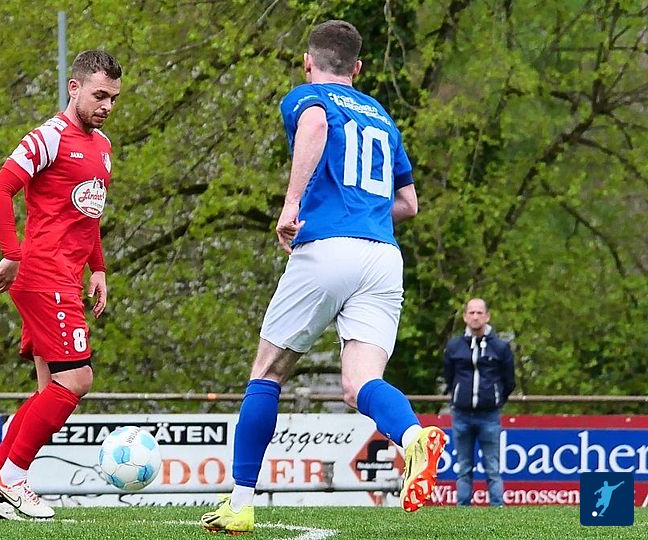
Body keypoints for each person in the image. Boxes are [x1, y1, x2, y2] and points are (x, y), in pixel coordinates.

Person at [201, 20, 446, 534]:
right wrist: (365, 213)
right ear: (358, 67)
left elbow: (314, 125)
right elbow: (408, 204)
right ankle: (412, 437)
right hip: (382, 255)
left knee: (267, 372)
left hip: (328, 248)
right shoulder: (382, 117)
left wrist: (292, 205)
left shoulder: (309, 97)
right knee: (360, 385)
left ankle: (240, 504)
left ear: (307, 62)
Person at [0, 49, 121, 520]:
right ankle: (13, 479)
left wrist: (98, 268)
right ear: (74, 88)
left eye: (113, 98)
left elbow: (87, 215)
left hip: (66, 278)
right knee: (77, 379)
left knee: (48, 388)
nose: (107, 106)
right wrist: (12, 255)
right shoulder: (48, 137)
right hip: (43, 275)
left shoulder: (103, 147)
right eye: (99, 95)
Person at [443, 298, 515, 507]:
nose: (475, 317)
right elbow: (449, 376)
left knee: (493, 467)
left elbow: (509, 381)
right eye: (471, 312)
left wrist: (496, 399)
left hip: (489, 415)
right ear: (465, 316)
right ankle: (463, 510)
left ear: (487, 316)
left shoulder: (500, 347)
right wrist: (459, 396)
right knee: (464, 467)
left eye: (479, 312)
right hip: (461, 415)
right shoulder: (454, 346)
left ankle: (497, 509)